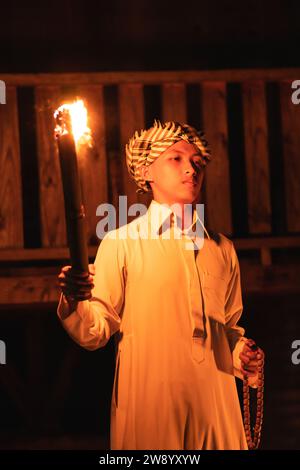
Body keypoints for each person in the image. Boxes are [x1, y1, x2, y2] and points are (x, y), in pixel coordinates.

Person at [57, 120, 264, 450]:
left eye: (197, 162)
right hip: (150, 407)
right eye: (176, 158)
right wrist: (74, 299)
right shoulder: (121, 243)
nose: (191, 169)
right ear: (146, 171)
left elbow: (226, 327)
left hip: (216, 406)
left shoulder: (221, 248)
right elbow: (95, 330)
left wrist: (241, 352)